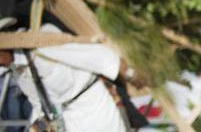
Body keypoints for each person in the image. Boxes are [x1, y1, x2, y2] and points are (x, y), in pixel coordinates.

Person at [0, 18, 130, 132]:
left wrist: (130, 74)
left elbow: (98, 56)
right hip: (68, 118)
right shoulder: (17, 68)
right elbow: (37, 102)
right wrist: (36, 126)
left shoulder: (42, 43)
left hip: (95, 107)